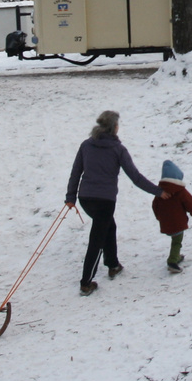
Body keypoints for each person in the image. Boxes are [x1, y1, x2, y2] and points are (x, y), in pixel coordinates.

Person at [64, 111, 164, 295]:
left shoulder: (87, 145)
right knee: (97, 238)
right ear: (114, 128)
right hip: (105, 201)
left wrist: (71, 197)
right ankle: (86, 282)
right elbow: (135, 177)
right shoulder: (118, 150)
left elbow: (76, 172)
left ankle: (113, 264)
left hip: (86, 198)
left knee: (108, 226)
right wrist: (158, 192)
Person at [152, 159, 192, 273]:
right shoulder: (181, 191)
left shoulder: (160, 193)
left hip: (165, 223)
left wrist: (159, 217)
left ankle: (177, 256)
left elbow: (155, 206)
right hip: (178, 223)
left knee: (175, 239)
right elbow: (190, 204)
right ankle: (172, 261)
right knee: (177, 242)